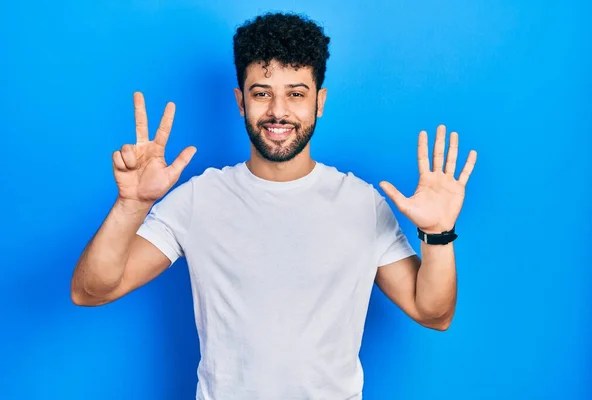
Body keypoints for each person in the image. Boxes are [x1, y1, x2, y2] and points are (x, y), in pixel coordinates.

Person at [70, 11, 477, 400]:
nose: (278, 111)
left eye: (295, 94)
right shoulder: (198, 199)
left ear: (319, 102)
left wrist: (438, 234)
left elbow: (432, 313)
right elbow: (91, 291)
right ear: (240, 100)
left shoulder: (362, 203)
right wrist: (131, 203)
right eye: (261, 93)